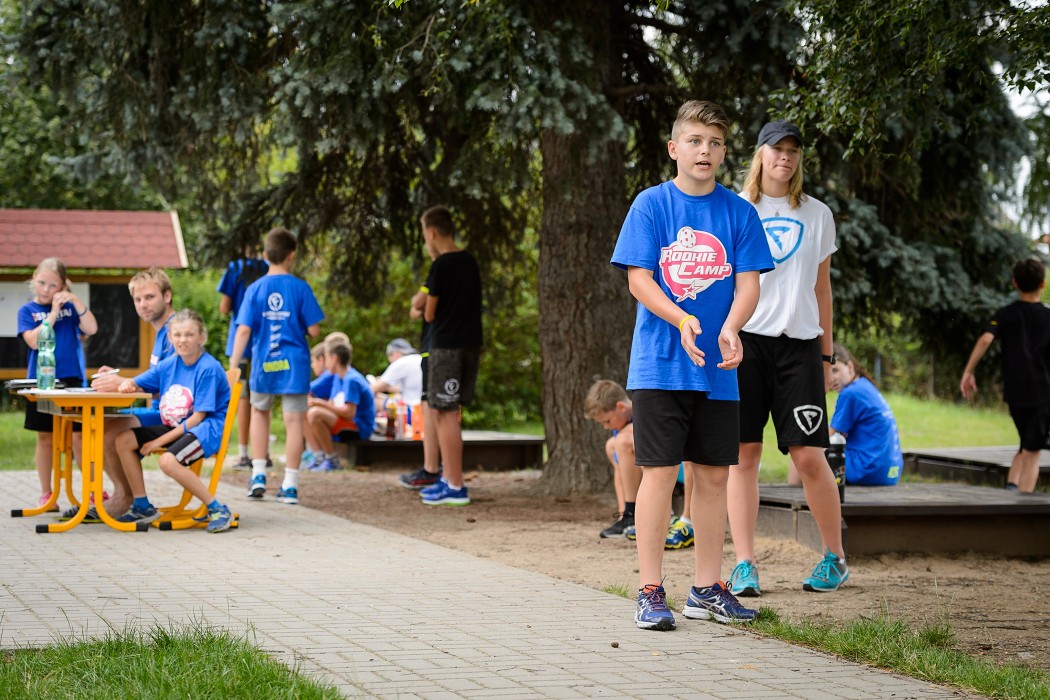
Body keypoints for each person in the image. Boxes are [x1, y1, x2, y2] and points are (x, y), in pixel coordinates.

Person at [610, 100, 772, 630]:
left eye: (715, 143)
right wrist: (682, 318)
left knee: (713, 477)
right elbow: (639, 279)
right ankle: (650, 590)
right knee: (659, 474)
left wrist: (732, 327)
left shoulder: (739, 213)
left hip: (718, 367)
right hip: (659, 365)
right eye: (695, 141)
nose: (705, 150)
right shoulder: (651, 205)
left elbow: (748, 286)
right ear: (674, 148)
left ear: (724, 153)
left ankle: (705, 589)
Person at [726, 119, 848, 600]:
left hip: (798, 345)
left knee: (809, 456)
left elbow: (823, 290)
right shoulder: (736, 208)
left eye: (793, 150)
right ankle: (744, 564)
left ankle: (835, 557)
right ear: (760, 154)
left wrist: (826, 355)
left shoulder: (817, 214)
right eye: (777, 149)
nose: (785, 157)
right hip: (746, 344)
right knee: (743, 456)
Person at [110, 309, 234, 532]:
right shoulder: (169, 364)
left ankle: (217, 508)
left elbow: (198, 417)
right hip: (176, 425)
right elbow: (137, 382)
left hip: (204, 430)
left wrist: (156, 443)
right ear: (169, 337)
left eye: (189, 334)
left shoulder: (208, 368)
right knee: (123, 440)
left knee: (168, 461)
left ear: (201, 337)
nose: (182, 340)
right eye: (177, 335)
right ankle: (142, 506)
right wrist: (129, 384)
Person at [230, 226, 324, 505]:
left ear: (265, 255)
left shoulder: (255, 289)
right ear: (291, 255)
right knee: (294, 421)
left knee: (260, 413)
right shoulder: (300, 288)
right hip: (293, 365)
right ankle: (290, 485)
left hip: (266, 364)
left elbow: (243, 330)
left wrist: (234, 365)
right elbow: (315, 330)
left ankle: (258, 474)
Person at [91, 267, 178, 518]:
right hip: (159, 411)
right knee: (103, 425)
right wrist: (122, 379)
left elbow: (174, 382)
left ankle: (127, 499)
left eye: (149, 297)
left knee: (110, 432)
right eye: (138, 299)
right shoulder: (161, 331)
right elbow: (158, 375)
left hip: (176, 418)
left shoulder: (176, 331)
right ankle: (122, 495)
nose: (143, 305)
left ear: (167, 296)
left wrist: (124, 382)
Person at [960, 257, 1050, 492]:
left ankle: (1011, 487)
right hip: (1042, 392)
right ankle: (1023, 505)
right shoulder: (1047, 316)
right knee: (1032, 452)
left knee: (1026, 442)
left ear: (1014, 283)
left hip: (1015, 392)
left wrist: (969, 371)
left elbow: (985, 339)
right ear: (1042, 283)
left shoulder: (1004, 314)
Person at [17, 258, 97, 510]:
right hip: (41, 381)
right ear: (34, 280)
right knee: (46, 437)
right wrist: (52, 313)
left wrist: (77, 302)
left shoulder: (70, 309)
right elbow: (33, 341)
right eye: (42, 283)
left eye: (53, 285)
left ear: (62, 286)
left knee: (79, 436)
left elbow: (91, 329)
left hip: (71, 379)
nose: (46, 289)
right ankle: (46, 493)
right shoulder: (27, 311)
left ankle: (92, 491)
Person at [415, 205, 482, 507]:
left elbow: (429, 313)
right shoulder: (470, 261)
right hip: (471, 343)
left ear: (431, 232)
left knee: (444, 412)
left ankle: (454, 483)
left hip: (446, 347)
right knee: (448, 411)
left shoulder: (441, 265)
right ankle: (449, 479)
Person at [217, 246, 269, 470]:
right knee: (264, 396)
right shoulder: (268, 268)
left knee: (243, 397)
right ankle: (264, 453)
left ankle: (244, 453)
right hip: (266, 344)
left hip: (240, 344)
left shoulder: (235, 267)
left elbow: (224, 307)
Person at [829, 344, 903, 485]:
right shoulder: (865, 385)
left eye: (835, 370)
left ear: (850, 366)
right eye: (827, 372)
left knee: (807, 449)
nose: (831, 378)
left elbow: (828, 437)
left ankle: (795, 494)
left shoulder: (850, 393)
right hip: (891, 472)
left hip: (868, 470)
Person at [399, 274, 444, 490]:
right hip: (435, 349)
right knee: (433, 408)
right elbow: (414, 310)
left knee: (434, 409)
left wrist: (424, 295)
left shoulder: (438, 274)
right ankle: (434, 467)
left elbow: (420, 308)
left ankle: (432, 469)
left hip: (436, 349)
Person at [303, 340, 375, 471]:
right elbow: (332, 403)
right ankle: (319, 457)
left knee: (315, 414)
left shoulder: (351, 380)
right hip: (345, 421)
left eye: (327, 358)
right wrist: (316, 403)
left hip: (359, 427)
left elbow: (350, 413)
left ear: (334, 358)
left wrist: (320, 403)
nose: (325, 363)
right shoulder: (338, 377)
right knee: (303, 410)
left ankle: (332, 460)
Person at [584, 380, 641, 538]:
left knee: (621, 441)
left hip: (671, 467)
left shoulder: (642, 412)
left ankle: (633, 512)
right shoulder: (622, 423)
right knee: (611, 445)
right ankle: (626, 515)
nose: (606, 427)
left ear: (621, 407)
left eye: (607, 421)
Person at [370, 337, 424, 409]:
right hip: (423, 404)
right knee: (391, 397)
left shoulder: (401, 362)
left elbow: (373, 389)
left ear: (395, 354)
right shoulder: (418, 358)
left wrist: (376, 382)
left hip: (412, 409)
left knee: (374, 400)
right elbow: (401, 389)